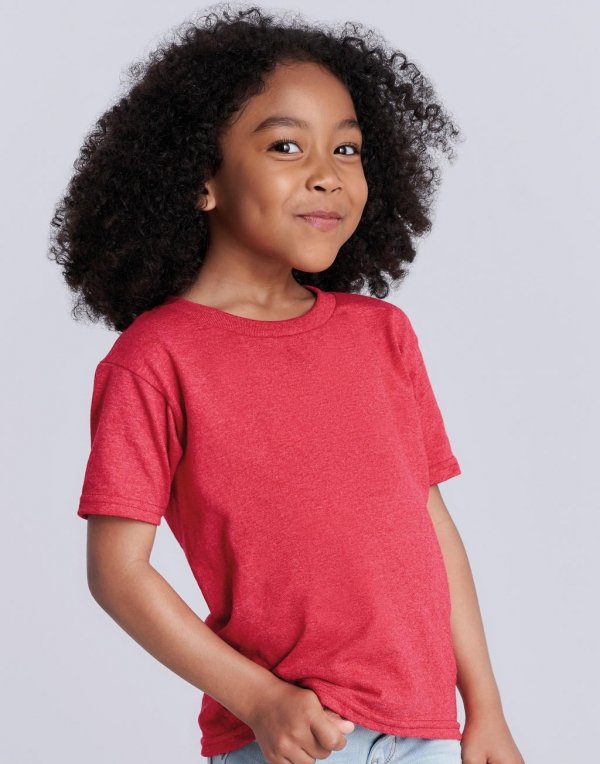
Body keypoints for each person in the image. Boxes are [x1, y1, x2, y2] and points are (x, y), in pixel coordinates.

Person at [49, 4, 525, 763]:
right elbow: (117, 572)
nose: (327, 174)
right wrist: (260, 699)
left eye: (347, 148)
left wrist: (486, 708)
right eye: (286, 145)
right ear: (200, 178)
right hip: (289, 737)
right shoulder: (157, 359)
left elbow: (431, 524)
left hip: (426, 731)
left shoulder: (380, 334)